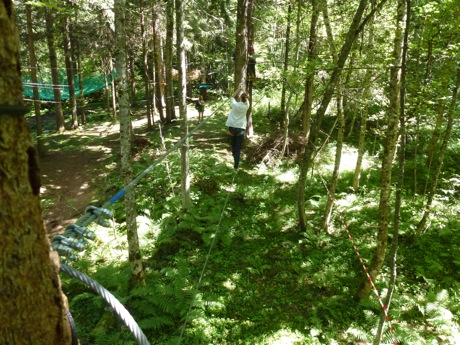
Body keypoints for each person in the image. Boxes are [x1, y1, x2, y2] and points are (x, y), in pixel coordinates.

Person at [226, 88, 249, 171]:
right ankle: (236, 167)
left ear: (240, 97)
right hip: (240, 129)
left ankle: (234, 158)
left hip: (232, 128)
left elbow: (232, 96)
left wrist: (239, 88)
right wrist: (242, 90)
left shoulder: (235, 104)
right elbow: (245, 97)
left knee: (233, 146)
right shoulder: (247, 105)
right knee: (237, 148)